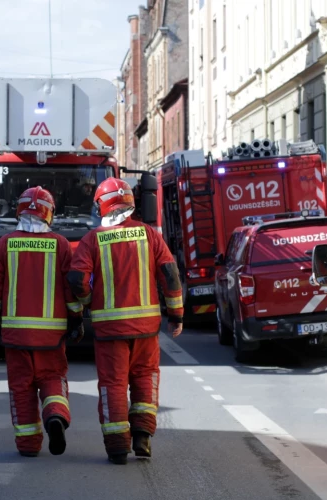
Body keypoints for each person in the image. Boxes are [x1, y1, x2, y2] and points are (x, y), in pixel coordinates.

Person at [68, 177, 185, 465]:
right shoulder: (149, 235)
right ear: (130, 201)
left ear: (102, 205)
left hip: (110, 331)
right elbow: (170, 275)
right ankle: (142, 435)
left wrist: (85, 303)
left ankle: (118, 447)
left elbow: (77, 279)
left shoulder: (92, 240)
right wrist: (176, 314)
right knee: (145, 378)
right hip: (146, 328)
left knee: (113, 384)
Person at [0, 186, 84, 457]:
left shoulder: (5, 243)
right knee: (52, 379)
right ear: (48, 214)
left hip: (16, 336)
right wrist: (76, 320)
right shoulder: (61, 245)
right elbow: (70, 290)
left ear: (20, 210)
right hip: (51, 337)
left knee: (21, 387)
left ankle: (28, 445)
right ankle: (55, 416)